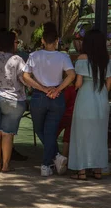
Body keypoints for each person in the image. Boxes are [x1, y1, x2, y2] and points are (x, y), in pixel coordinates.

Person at [22, 22, 76, 177]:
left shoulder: (34, 55)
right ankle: (53, 160)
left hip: (39, 96)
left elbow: (25, 76)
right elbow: (71, 75)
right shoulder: (63, 56)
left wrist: (42, 88)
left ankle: (49, 162)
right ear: (57, 40)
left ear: (42, 41)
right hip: (57, 96)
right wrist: (58, 88)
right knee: (50, 131)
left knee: (40, 129)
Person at [68, 29, 111, 180]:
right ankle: (98, 170)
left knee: (81, 136)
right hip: (101, 100)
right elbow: (108, 84)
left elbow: (78, 83)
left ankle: (81, 171)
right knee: (99, 136)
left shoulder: (82, 58)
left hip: (85, 100)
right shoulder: (107, 59)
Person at [0, 31, 27, 172]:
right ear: (10, 43)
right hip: (12, 98)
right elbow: (25, 78)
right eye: (16, 42)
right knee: (7, 134)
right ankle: (5, 165)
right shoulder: (16, 59)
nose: (17, 44)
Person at [56, 84, 77, 158]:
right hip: (72, 115)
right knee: (67, 139)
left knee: (53, 135)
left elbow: (64, 102)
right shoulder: (75, 89)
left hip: (63, 115)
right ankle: (64, 158)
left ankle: (55, 156)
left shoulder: (68, 89)